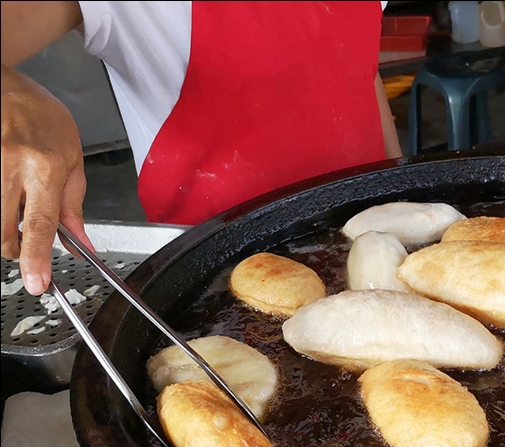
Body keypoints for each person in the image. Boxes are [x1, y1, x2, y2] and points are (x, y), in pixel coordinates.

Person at [1, 1, 403, 296]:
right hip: (221, 284)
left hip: (377, 247)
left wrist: (404, 187)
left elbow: (357, 72)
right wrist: (13, 96)